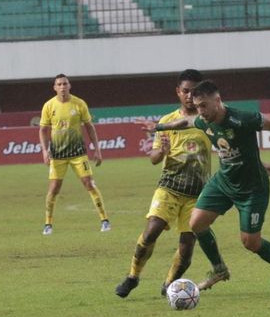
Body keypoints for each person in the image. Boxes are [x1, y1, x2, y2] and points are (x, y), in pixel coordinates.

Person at [140, 79, 270, 290]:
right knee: (196, 223)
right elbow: (184, 122)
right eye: (197, 106)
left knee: (250, 242)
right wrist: (159, 127)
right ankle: (219, 269)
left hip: (252, 188)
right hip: (224, 181)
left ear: (217, 101)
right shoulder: (203, 120)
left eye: (203, 106)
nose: (200, 111)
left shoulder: (242, 118)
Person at [115, 69, 211, 298]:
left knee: (187, 248)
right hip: (169, 187)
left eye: (194, 92)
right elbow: (154, 158)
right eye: (185, 91)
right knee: (151, 232)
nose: (189, 96)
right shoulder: (166, 121)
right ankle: (132, 276)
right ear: (178, 92)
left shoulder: (207, 120)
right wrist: (163, 152)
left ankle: (169, 284)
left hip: (197, 194)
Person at [39, 74, 110, 235]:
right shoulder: (49, 106)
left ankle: (104, 220)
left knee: (89, 184)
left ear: (69, 86)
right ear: (55, 87)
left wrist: (97, 149)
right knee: (54, 188)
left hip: (78, 153)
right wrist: (44, 150)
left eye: (65, 83)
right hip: (57, 154)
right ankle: (48, 224)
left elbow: (89, 126)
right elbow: (43, 130)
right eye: (59, 84)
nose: (62, 87)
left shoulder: (79, 104)